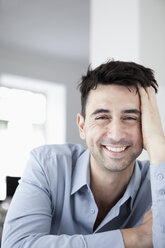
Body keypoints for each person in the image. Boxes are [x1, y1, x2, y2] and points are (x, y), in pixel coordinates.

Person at [2, 60, 165, 248]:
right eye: (102, 117)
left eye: (130, 118)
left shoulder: (158, 182)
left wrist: (159, 148)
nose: (116, 134)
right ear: (82, 126)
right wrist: (136, 238)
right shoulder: (47, 165)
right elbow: (17, 245)